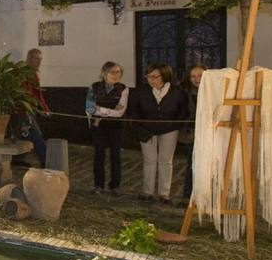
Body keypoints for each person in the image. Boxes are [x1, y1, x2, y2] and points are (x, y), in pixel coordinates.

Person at [128, 63, 191, 204]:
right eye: (148, 76)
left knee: (166, 161)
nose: (151, 80)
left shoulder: (177, 92)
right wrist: (143, 125)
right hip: (146, 130)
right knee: (149, 160)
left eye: (155, 76)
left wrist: (174, 125)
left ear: (164, 75)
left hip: (169, 130)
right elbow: (134, 110)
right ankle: (147, 192)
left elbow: (183, 111)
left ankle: (164, 194)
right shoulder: (141, 91)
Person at [84, 61, 128, 196]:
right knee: (99, 154)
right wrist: (110, 111)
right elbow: (90, 108)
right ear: (104, 73)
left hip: (116, 127)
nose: (116, 75)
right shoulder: (94, 87)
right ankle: (98, 185)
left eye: (118, 72)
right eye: (112, 72)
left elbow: (120, 112)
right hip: (98, 126)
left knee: (116, 155)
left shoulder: (123, 89)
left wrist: (101, 110)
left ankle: (115, 185)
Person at [15, 48, 49, 167]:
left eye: (40, 60)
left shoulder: (34, 74)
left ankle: (18, 159)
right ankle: (46, 161)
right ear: (29, 58)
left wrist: (45, 108)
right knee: (36, 136)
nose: (39, 62)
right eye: (36, 59)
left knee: (24, 136)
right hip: (23, 111)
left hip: (31, 109)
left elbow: (38, 94)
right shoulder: (21, 72)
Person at [181, 64, 206, 204]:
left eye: (200, 75)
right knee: (191, 163)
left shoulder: (213, 91)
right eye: (193, 76)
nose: (197, 79)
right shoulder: (186, 93)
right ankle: (188, 195)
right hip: (192, 132)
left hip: (209, 133)